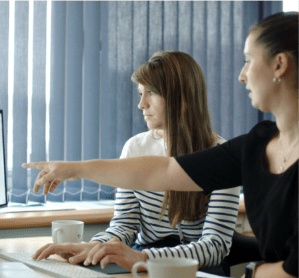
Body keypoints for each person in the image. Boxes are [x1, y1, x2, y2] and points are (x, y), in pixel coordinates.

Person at [23, 12, 299, 278]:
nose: (241, 75)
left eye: (248, 60)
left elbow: (231, 251)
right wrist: (96, 244)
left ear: (280, 65)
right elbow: (162, 172)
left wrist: (142, 258)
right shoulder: (256, 145)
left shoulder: (228, 150)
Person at [28, 51, 240, 275]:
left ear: (182, 98)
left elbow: (215, 247)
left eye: (151, 93)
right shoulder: (134, 148)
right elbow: (125, 225)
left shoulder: (222, 157)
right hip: (142, 261)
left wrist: (143, 257)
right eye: (140, 93)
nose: (141, 104)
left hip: (195, 269)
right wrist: (95, 246)